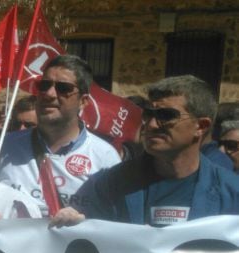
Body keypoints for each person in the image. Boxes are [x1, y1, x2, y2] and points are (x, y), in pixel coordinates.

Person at [51, 75, 239, 227]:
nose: (152, 125)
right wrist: (73, 224)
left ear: (201, 126)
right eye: (149, 114)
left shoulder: (232, 193)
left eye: (166, 116)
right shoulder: (109, 184)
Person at [0, 54, 121, 217]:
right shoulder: (5, 147)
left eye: (63, 88)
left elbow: (116, 223)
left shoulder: (105, 157)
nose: (49, 93)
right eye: (44, 85)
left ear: (83, 101)